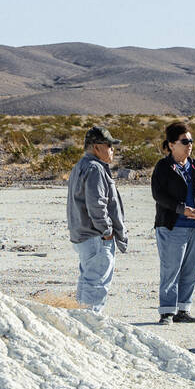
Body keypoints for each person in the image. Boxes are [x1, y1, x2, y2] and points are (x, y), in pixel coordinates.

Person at [150, 121, 195, 325]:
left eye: (191, 141)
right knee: (171, 270)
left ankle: (183, 309)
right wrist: (180, 209)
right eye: (185, 141)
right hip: (171, 226)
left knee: (189, 271)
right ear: (170, 145)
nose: (190, 145)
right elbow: (158, 195)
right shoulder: (164, 167)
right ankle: (167, 311)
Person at [66, 125, 128, 312]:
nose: (112, 150)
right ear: (96, 147)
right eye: (109, 145)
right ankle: (90, 323)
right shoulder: (95, 168)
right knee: (96, 283)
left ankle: (81, 322)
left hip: (83, 235)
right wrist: (107, 231)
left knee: (87, 281)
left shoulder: (81, 166)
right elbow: (97, 204)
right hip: (96, 237)